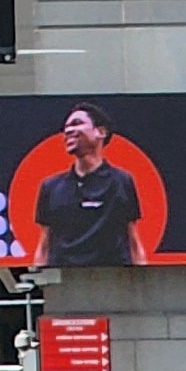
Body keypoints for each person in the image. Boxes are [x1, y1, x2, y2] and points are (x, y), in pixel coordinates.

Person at [35, 106, 148, 267]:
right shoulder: (51, 187)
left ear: (100, 132)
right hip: (64, 278)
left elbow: (134, 242)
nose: (68, 131)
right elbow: (43, 246)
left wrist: (143, 277)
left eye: (77, 123)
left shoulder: (122, 181)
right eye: (66, 128)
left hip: (111, 276)